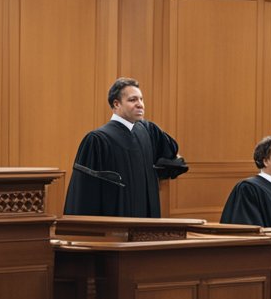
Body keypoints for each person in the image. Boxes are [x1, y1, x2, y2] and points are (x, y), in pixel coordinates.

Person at [63, 77, 186, 217]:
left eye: (141, 99)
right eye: (133, 100)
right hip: (116, 228)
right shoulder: (97, 140)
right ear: (116, 104)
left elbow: (172, 156)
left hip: (149, 227)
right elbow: (84, 195)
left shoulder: (148, 131)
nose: (140, 104)